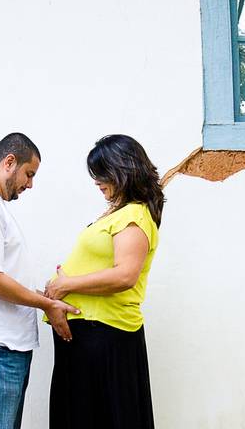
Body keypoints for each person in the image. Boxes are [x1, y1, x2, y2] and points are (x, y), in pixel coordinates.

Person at [0, 132, 80, 429]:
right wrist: (46, 305)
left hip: (1, 348)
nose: (29, 185)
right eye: (29, 174)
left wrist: (43, 295)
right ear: (9, 162)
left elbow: (2, 275)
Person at [44, 134, 165, 429]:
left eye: (101, 173)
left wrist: (65, 285)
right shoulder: (118, 213)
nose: (96, 181)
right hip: (88, 337)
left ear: (122, 170)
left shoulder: (134, 215)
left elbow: (125, 275)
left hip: (105, 334)